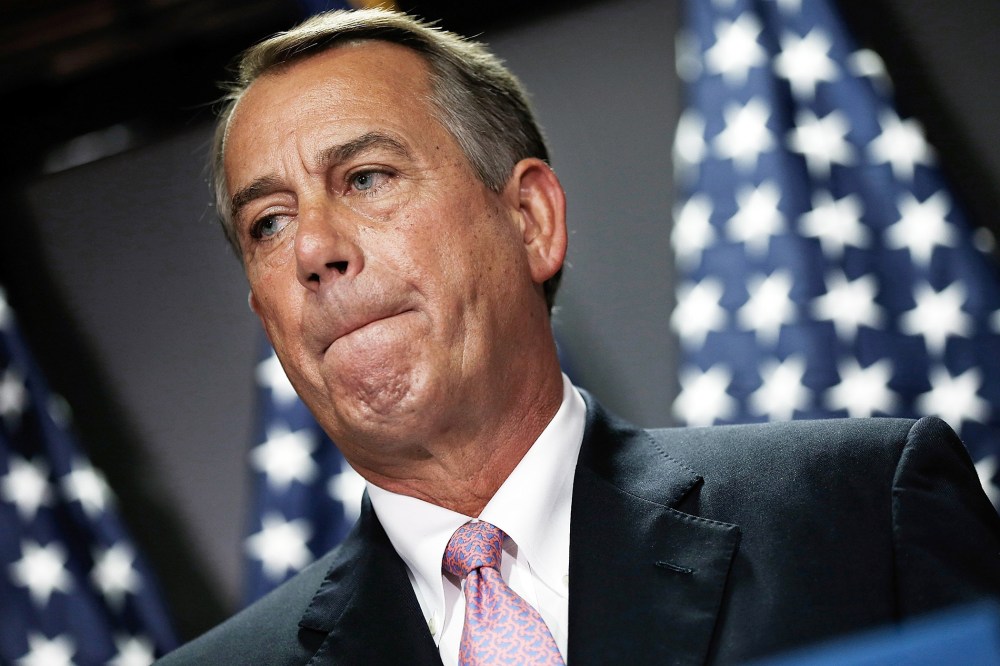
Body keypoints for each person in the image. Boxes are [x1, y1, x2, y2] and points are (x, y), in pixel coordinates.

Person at [158, 7, 1000, 665]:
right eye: (268, 223)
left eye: (367, 177)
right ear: (265, 312)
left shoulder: (860, 516)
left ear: (530, 220)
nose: (313, 249)